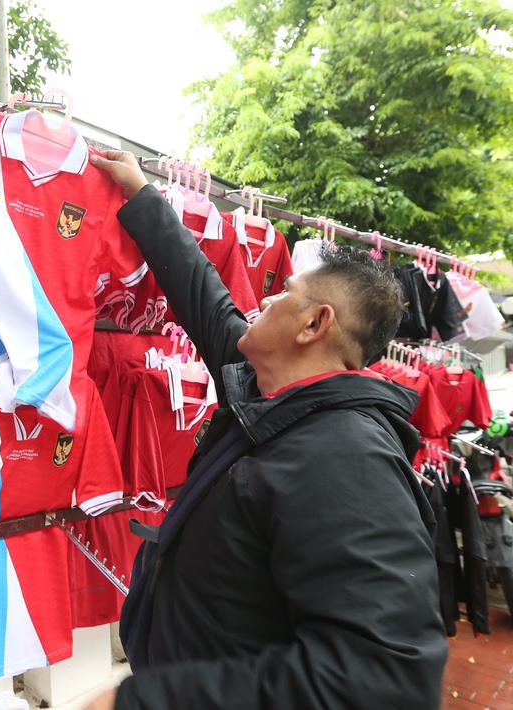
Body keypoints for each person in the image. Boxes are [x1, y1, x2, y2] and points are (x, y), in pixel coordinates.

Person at [83, 150, 447, 710]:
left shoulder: (346, 457)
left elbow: (385, 676)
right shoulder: (266, 390)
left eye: (283, 294)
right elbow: (201, 291)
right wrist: (141, 193)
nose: (264, 298)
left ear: (314, 323)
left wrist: (144, 702)